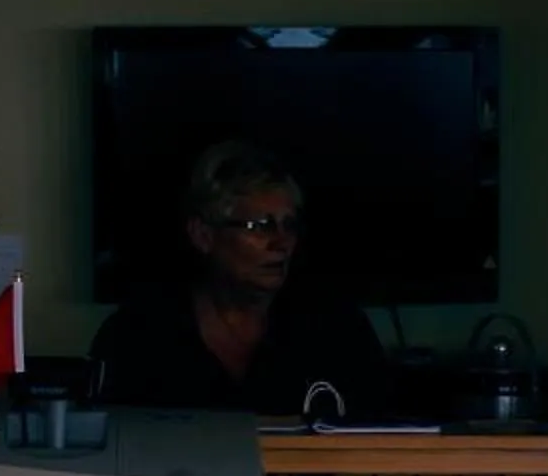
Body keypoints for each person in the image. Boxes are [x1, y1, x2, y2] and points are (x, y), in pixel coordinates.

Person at [89, 141, 392, 417]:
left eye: (289, 225)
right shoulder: (135, 337)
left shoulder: (338, 331)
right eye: (260, 226)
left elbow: (384, 442)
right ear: (203, 235)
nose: (281, 242)